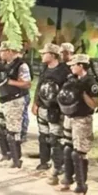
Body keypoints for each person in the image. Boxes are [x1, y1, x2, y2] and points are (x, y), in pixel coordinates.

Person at [56, 54, 98, 195]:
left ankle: (81, 186)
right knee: (67, 148)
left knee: (78, 153)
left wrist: (83, 93)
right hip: (70, 117)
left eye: (73, 65)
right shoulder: (72, 79)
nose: (71, 68)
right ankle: (67, 180)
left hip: (82, 119)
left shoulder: (91, 82)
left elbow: (94, 105)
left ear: (81, 66)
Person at [33, 43, 72, 182]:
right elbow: (39, 86)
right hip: (43, 108)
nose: (42, 55)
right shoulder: (44, 68)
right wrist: (35, 103)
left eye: (44, 53)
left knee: (56, 138)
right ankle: (44, 162)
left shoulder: (64, 70)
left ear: (53, 55)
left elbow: (68, 90)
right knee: (43, 136)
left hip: (55, 109)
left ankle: (58, 165)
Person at [0, 41, 31, 169]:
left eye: (2, 51)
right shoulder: (4, 65)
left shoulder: (21, 65)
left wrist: (8, 81)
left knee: (13, 132)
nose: (0, 53)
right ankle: (6, 156)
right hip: (3, 99)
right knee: (2, 129)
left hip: (15, 101)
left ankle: (16, 161)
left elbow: (27, 84)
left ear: (9, 51)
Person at [14, 47, 32, 142]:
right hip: (14, 94)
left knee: (23, 114)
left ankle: (23, 134)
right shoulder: (12, 64)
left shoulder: (23, 64)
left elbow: (28, 81)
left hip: (23, 93)